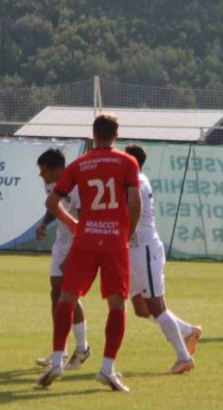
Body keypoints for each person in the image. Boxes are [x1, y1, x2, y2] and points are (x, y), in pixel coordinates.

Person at [37, 114, 142, 391]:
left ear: (93, 134)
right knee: (117, 303)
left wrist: (73, 223)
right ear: (116, 135)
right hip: (113, 241)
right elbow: (134, 198)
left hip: (85, 239)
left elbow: (52, 201)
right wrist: (128, 231)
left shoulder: (80, 164)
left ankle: (58, 359)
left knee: (67, 297)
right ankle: (107, 368)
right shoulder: (127, 162)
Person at [124, 144, 201, 374]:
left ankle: (183, 357)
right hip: (134, 249)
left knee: (157, 306)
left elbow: (134, 212)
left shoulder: (137, 182)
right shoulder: (134, 179)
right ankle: (188, 331)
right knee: (140, 307)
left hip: (144, 248)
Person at [33, 148, 91, 369]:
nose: (41, 175)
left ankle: (82, 348)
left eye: (44, 171)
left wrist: (75, 251)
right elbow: (53, 204)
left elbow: (84, 220)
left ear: (58, 170)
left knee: (69, 293)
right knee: (55, 292)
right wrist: (44, 224)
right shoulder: (51, 183)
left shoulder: (78, 186)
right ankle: (61, 350)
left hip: (77, 241)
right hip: (61, 241)